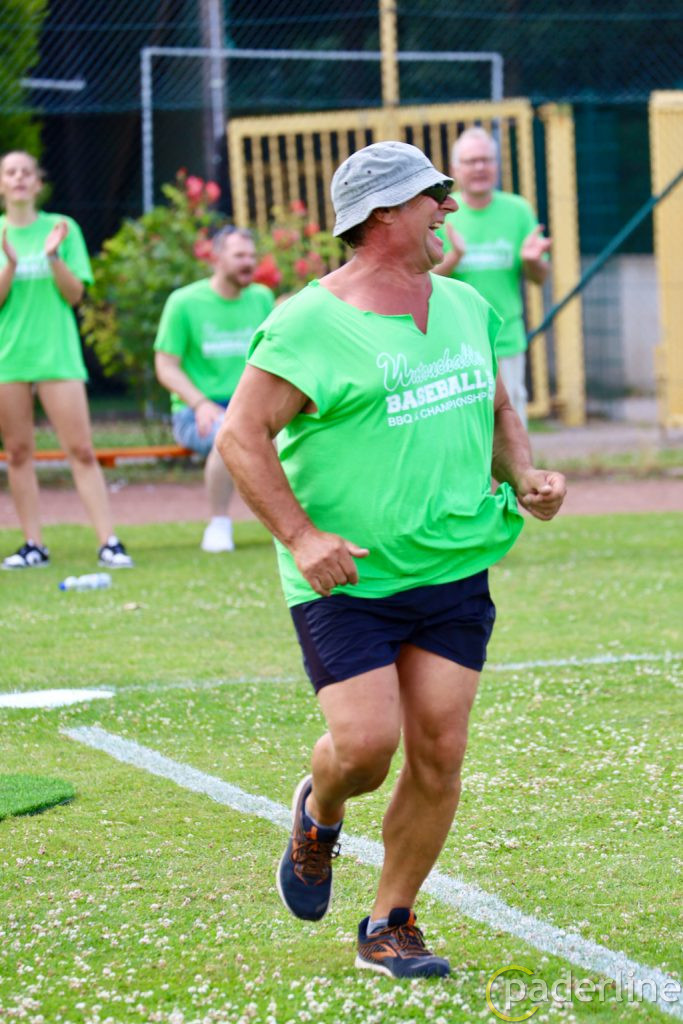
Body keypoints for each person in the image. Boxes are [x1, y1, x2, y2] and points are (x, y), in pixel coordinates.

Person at [216, 140, 566, 978]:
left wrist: (523, 474)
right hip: (347, 578)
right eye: (429, 195)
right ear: (380, 216)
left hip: (452, 566)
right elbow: (240, 434)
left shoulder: (464, 305)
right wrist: (302, 538)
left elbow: (494, 404)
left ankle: (389, 923)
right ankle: (319, 811)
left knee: (439, 752)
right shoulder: (308, 321)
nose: (447, 206)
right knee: (366, 749)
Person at [0, 150, 133, 570]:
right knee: (18, 452)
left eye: (26, 172)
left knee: (81, 450)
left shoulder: (62, 228)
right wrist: (10, 264)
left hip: (57, 356)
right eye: (10, 172)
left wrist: (53, 256)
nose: (19, 178)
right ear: (1, 183)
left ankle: (109, 543)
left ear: (38, 183)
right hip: (9, 359)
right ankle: (33, 545)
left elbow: (75, 295)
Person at [154, 226, 274, 552]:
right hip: (196, 412)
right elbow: (165, 366)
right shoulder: (183, 302)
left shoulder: (262, 298)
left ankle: (301, 523)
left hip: (251, 405)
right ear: (216, 258)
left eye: (252, 256)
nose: (248, 262)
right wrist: (200, 404)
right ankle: (219, 524)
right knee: (229, 433)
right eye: (239, 255)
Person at [433, 126, 551, 427]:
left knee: (510, 427)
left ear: (497, 165)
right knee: (464, 428)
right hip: (453, 346)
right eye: (471, 161)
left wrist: (532, 261)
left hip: (506, 341)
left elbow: (539, 277)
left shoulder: (518, 210)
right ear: (455, 169)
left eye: (486, 160)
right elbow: (424, 278)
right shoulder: (442, 213)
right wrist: (454, 258)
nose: (479, 167)